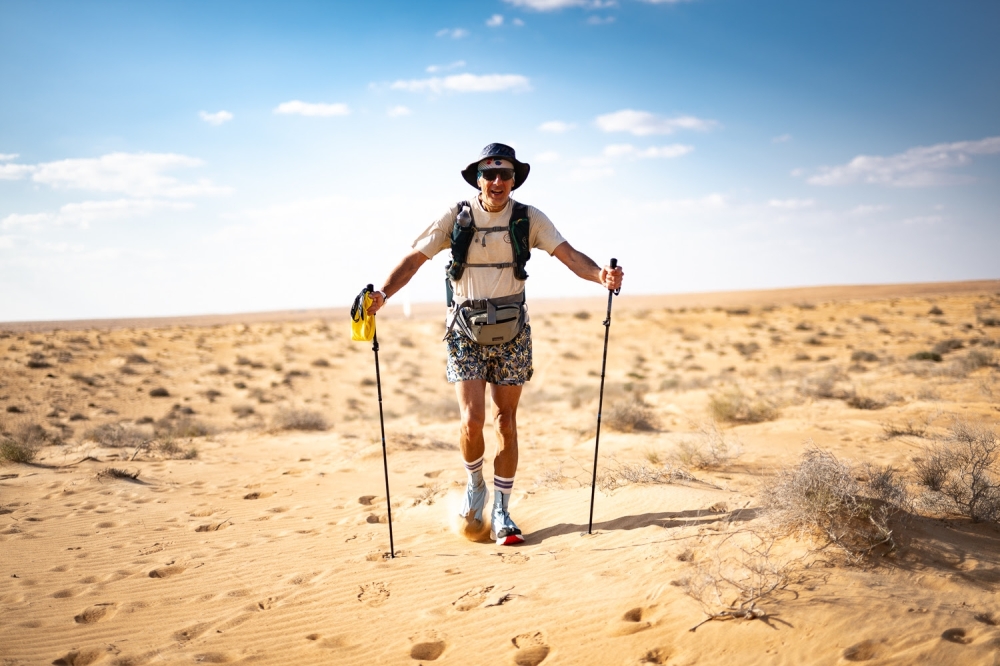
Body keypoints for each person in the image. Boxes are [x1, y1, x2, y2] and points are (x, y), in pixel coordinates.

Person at [366, 143, 624, 545]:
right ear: (479, 179)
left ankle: (502, 510)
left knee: (506, 420)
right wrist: (381, 295)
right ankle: (475, 488)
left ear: (514, 178)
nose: (498, 181)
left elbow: (570, 256)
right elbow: (415, 259)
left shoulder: (528, 218)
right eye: (490, 174)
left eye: (506, 174)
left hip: (512, 332)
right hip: (464, 332)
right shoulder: (456, 217)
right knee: (471, 419)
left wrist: (600, 277)